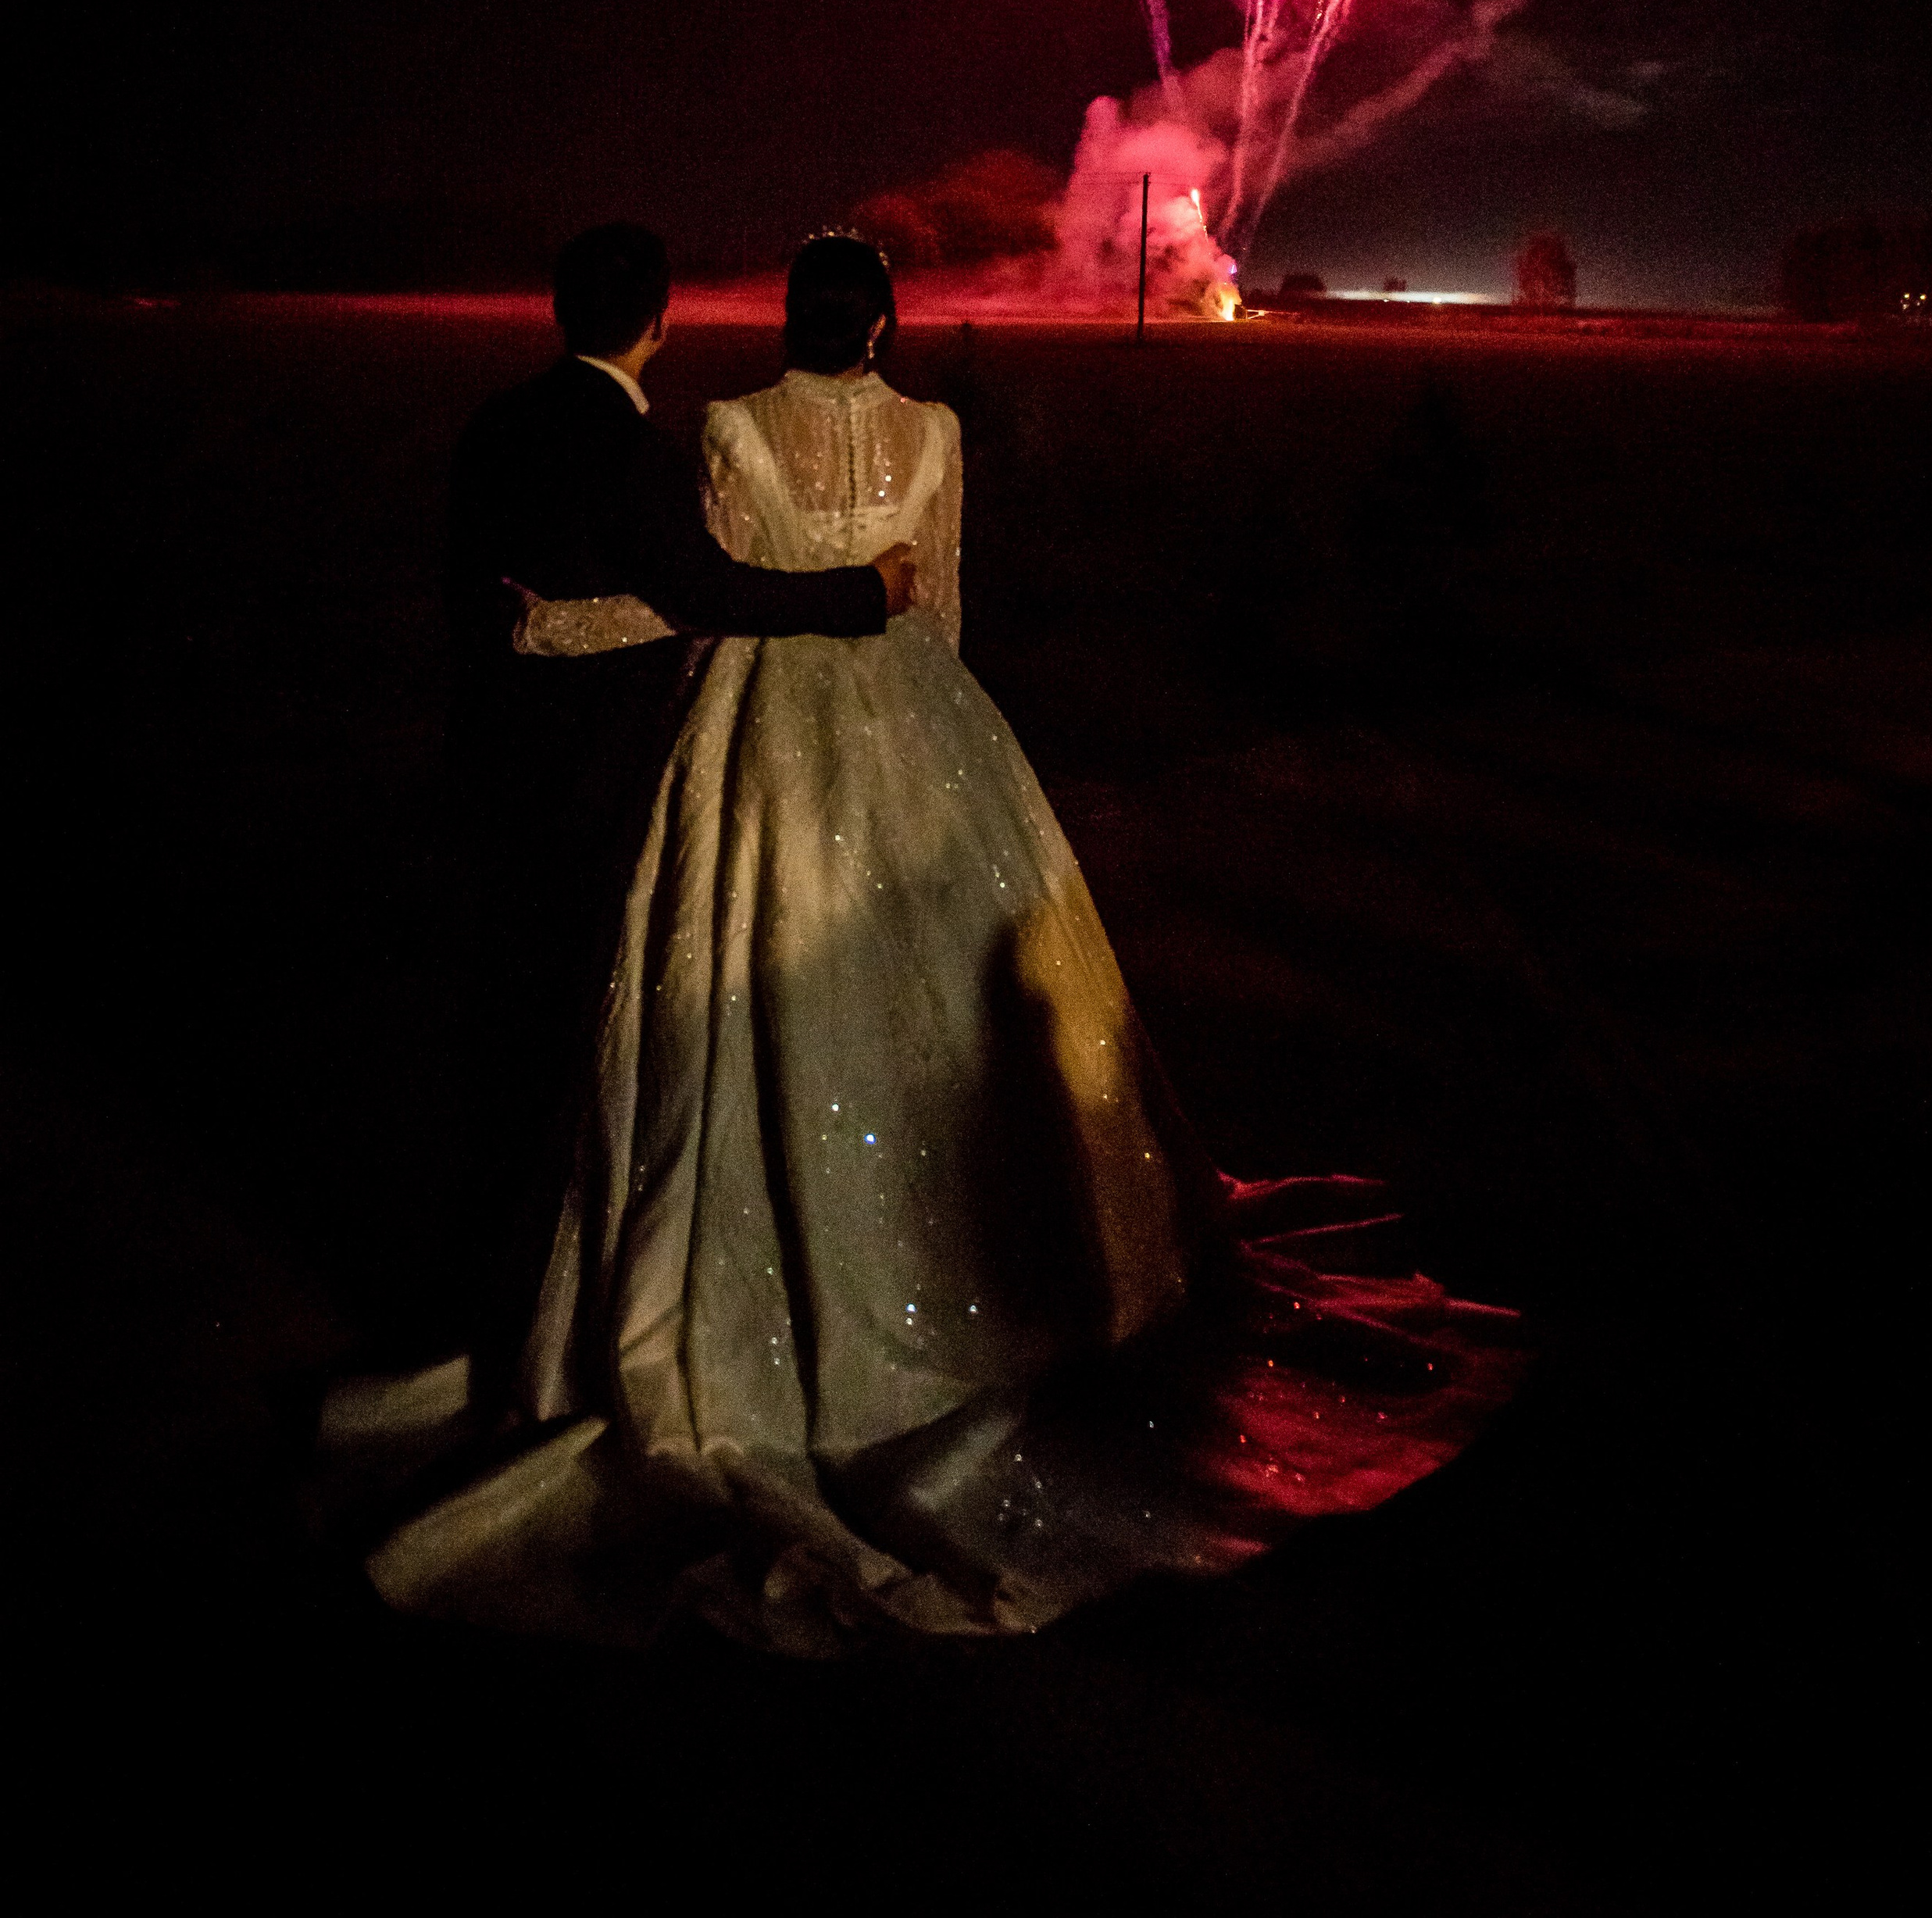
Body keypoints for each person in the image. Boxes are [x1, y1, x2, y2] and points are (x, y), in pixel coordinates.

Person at [366, 235, 1520, 1648]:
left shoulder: (724, 426)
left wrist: (560, 638)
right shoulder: (939, 428)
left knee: (728, 979)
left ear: (789, 318)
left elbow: (710, 604)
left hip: (764, 731)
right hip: (919, 718)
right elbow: (944, 607)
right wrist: (940, 743)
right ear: (890, 324)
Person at [443, 222, 916, 1376]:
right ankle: (543, 1242)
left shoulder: (493, 425)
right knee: (581, 993)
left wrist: (530, 630)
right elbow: (706, 591)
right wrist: (865, 593)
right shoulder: (643, 453)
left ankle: (502, 1237)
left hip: (498, 745)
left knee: (512, 992)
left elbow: (473, 580)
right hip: (602, 747)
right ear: (662, 318)